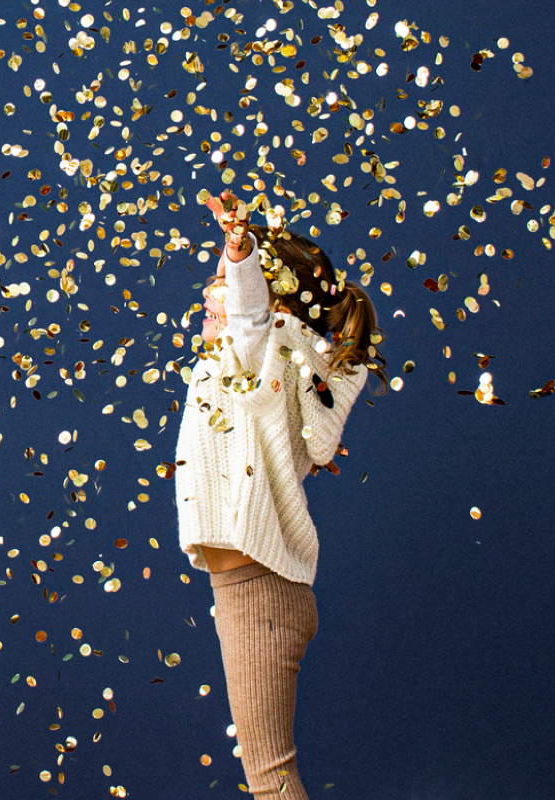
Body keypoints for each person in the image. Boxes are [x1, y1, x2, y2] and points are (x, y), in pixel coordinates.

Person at [175, 192, 387, 799]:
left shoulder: (261, 361)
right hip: (254, 591)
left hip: (258, 594)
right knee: (268, 778)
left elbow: (248, 320)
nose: (210, 295)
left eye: (221, 282)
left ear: (271, 304)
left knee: (270, 784)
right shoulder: (256, 372)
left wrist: (239, 253)